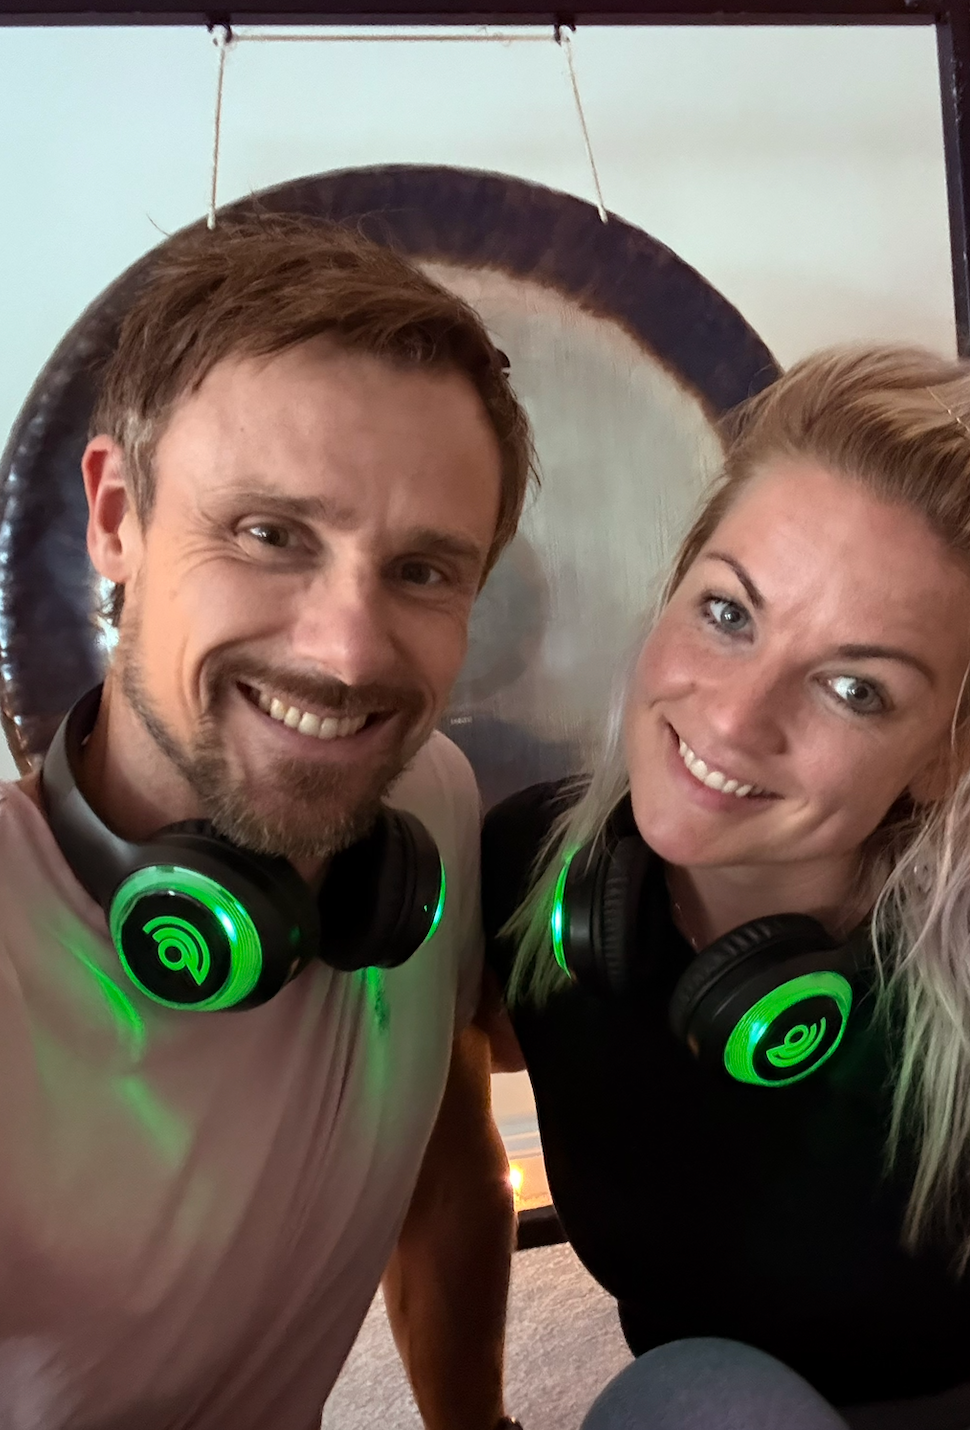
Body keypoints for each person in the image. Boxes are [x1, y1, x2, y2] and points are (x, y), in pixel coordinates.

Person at [482, 345, 970, 1429]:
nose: (733, 718)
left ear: (951, 751)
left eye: (855, 687)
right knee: (699, 1393)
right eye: (728, 612)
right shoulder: (529, 875)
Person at [0, 214, 532, 1430]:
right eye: (269, 533)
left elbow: (442, 1156)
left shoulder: (429, 803)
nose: (346, 652)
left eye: (421, 569)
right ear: (117, 515)